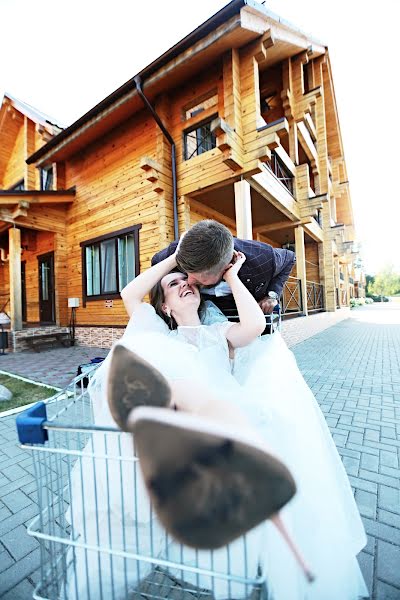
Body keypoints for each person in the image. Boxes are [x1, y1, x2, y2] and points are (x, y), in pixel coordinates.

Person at [66, 244, 368, 600]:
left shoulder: (218, 334)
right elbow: (130, 293)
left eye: (187, 282)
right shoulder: (158, 335)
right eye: (173, 285)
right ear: (165, 306)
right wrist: (179, 261)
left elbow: (255, 325)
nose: (183, 285)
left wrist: (230, 276)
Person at [151, 219, 295, 315]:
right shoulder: (176, 253)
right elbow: (155, 267)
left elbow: (290, 258)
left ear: (227, 267)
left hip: (247, 317)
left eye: (200, 279)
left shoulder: (264, 257)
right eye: (187, 273)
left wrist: (272, 295)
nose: (188, 282)